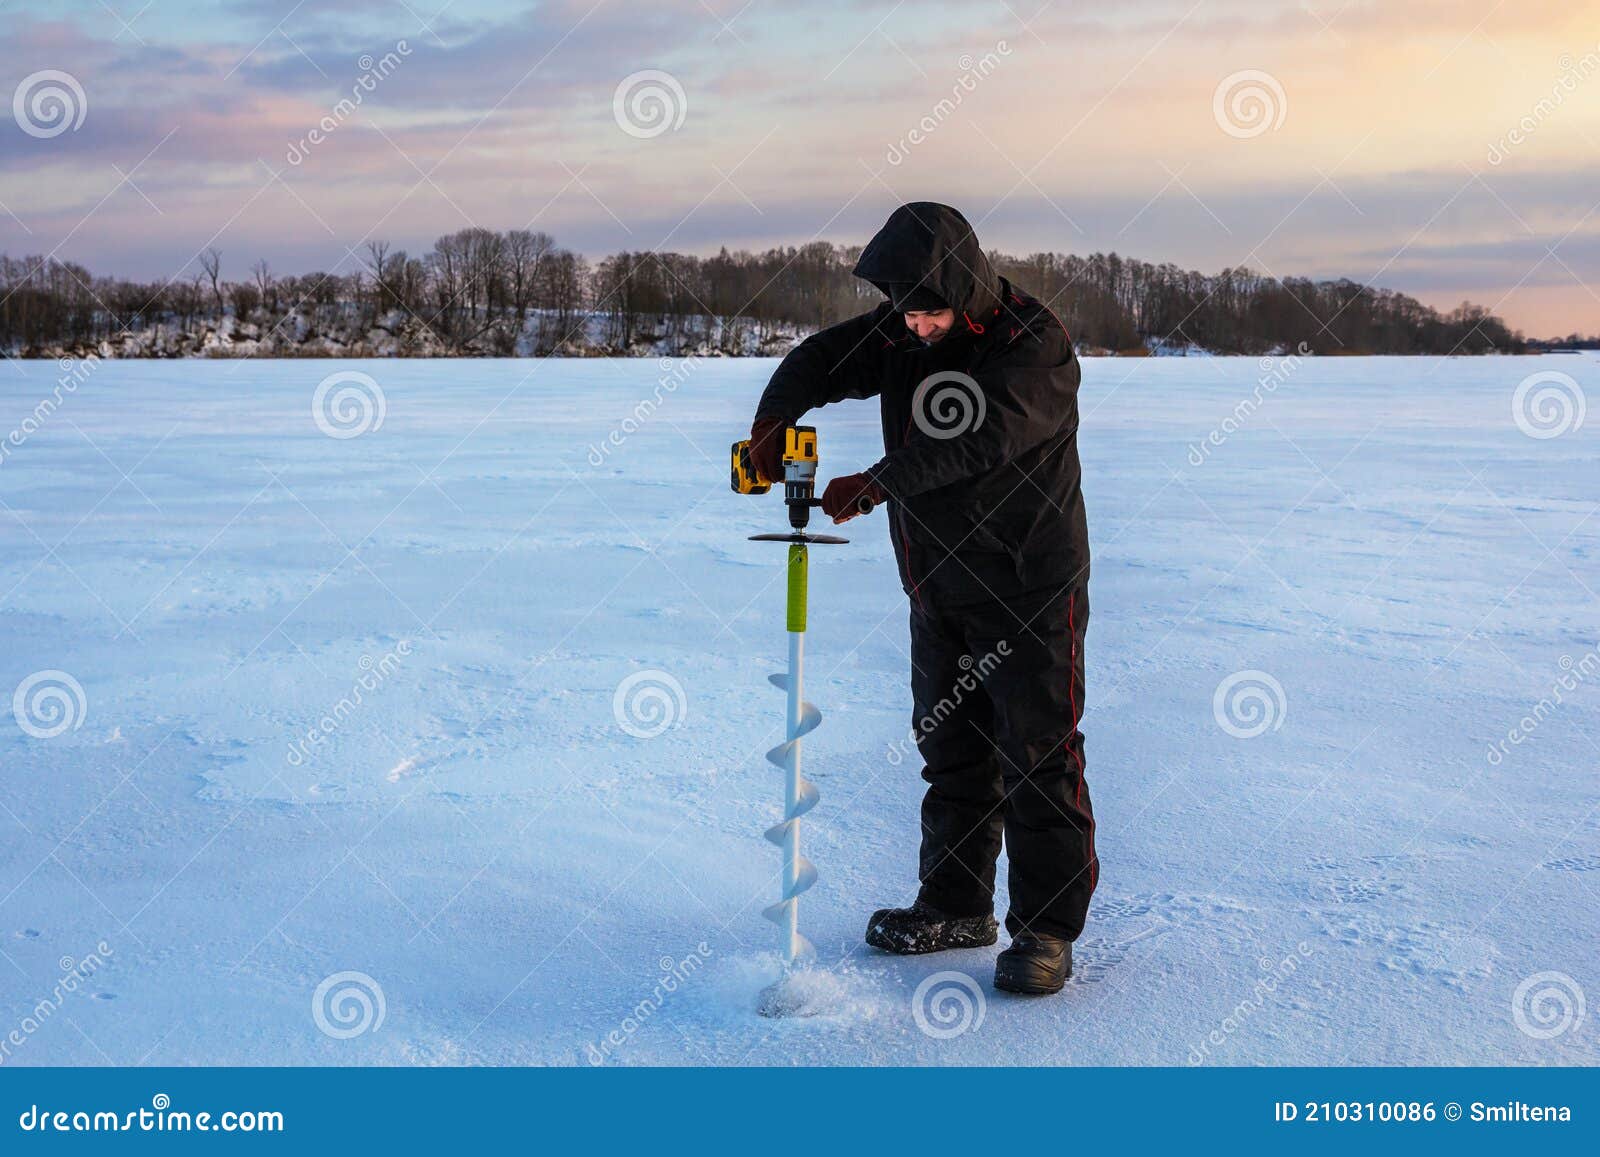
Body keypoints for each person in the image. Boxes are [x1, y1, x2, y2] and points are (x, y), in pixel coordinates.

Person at [746, 202, 1096, 995]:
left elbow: (973, 441)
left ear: (965, 286)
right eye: (906, 310)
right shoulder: (904, 329)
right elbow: (822, 357)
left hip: (1030, 585)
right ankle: (956, 902)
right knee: (952, 749)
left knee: (1038, 752)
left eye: (930, 309)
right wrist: (775, 415)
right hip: (939, 582)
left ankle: (1045, 927)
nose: (918, 327)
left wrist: (877, 482)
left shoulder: (1032, 345)